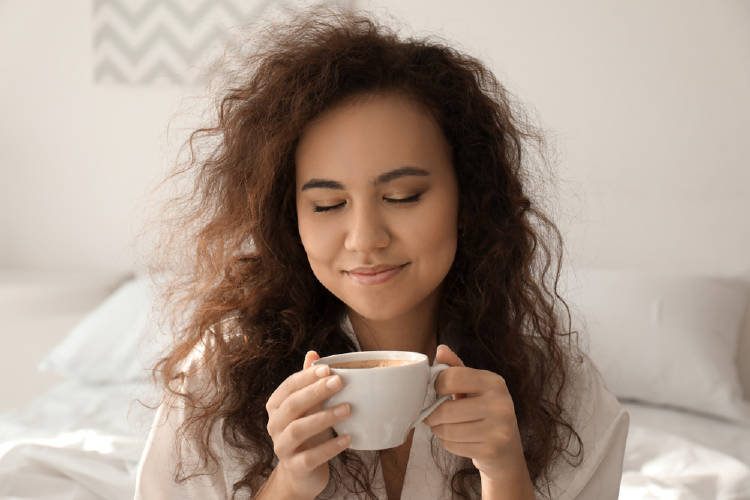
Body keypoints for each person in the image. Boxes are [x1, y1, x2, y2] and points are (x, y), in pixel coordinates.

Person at [134, 6, 629, 500]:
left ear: (468, 197)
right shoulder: (216, 382)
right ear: (292, 219)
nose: (365, 238)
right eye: (328, 204)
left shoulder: (564, 392)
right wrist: (287, 485)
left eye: (403, 197)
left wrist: (505, 478)